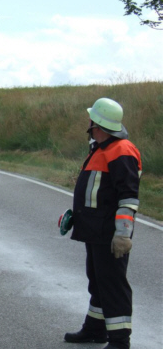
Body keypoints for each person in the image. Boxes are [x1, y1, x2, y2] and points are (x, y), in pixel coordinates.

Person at [64, 98, 142, 349]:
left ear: (96, 123)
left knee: (113, 285)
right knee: (97, 281)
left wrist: (122, 234)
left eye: (90, 120)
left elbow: (128, 197)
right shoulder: (101, 148)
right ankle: (95, 329)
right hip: (95, 230)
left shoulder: (122, 150)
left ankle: (120, 341)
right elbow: (97, 191)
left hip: (110, 233)